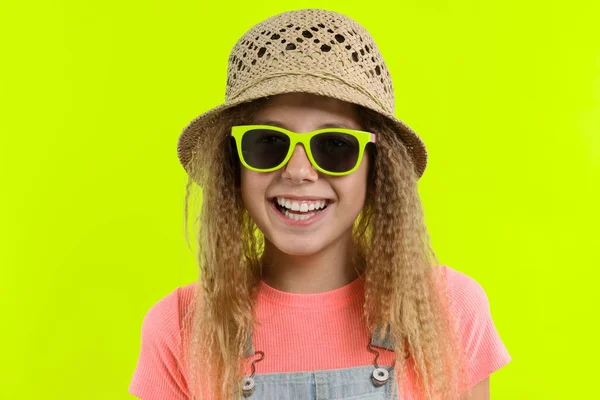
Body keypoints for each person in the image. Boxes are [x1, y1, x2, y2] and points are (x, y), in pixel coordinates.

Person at [128, 8, 511, 400]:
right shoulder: (180, 327)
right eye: (268, 143)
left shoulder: (448, 309)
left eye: (334, 146)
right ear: (234, 164)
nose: (299, 172)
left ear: (377, 168)